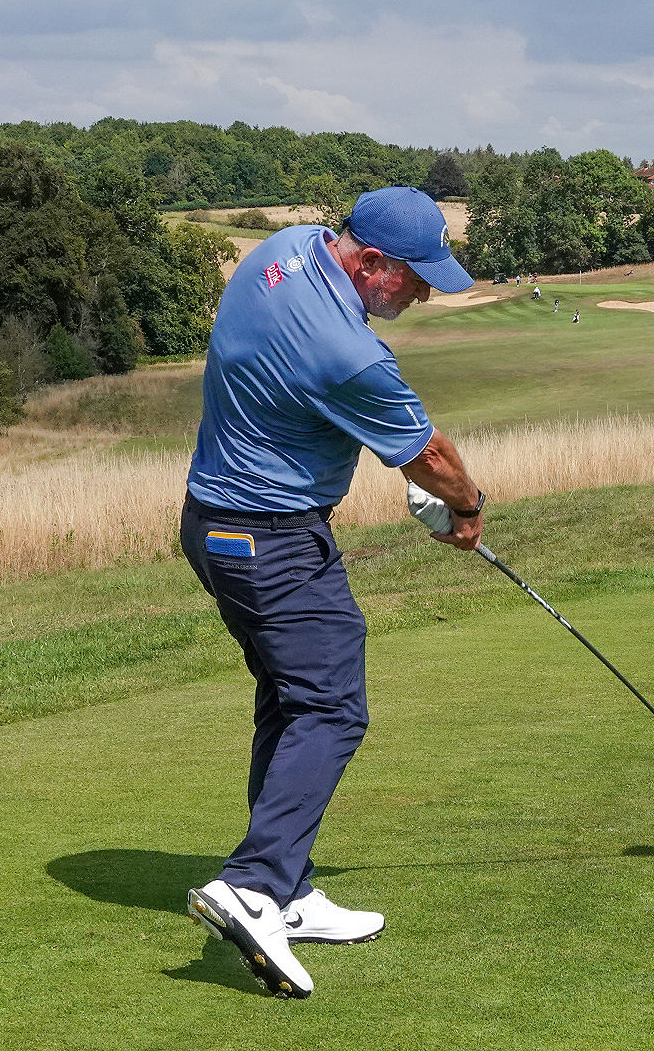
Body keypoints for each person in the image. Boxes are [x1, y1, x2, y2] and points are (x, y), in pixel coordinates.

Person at [181, 187, 487, 999]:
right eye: (416, 279)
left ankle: (289, 888)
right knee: (331, 705)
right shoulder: (349, 352)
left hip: (213, 524)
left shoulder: (285, 248)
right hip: (271, 541)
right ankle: (253, 887)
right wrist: (467, 508)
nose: (422, 295)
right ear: (372, 261)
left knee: (290, 698)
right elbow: (433, 457)